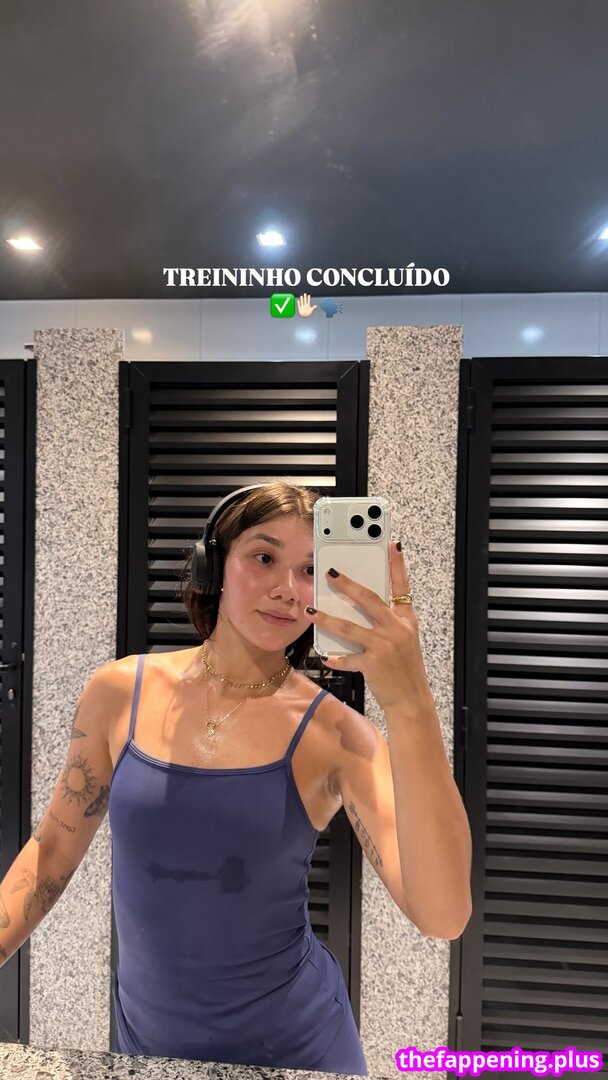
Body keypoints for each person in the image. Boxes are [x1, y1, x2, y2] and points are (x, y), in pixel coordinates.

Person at [0, 479, 472, 1073]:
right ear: (214, 565)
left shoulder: (339, 736)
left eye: (311, 571)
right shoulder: (118, 692)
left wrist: (410, 702)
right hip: (148, 1048)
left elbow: (443, 914)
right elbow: (50, 853)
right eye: (264, 557)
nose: (286, 589)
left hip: (297, 1054)